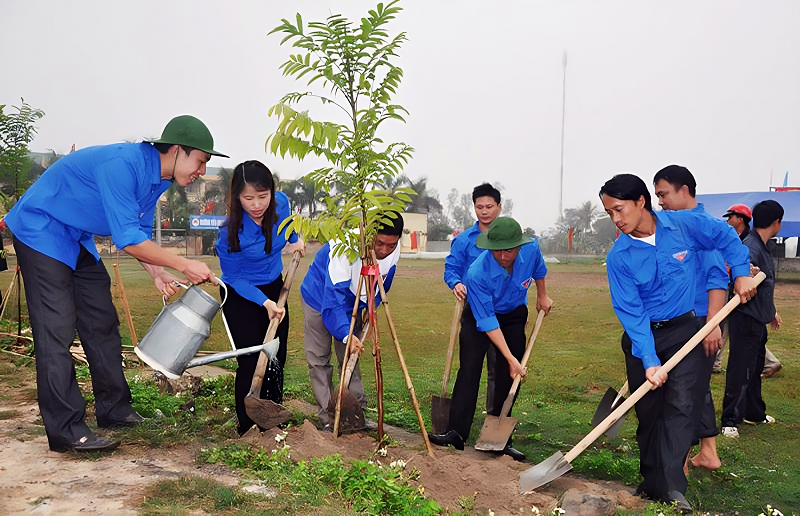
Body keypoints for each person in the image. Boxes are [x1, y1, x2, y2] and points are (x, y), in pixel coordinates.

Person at [4, 115, 226, 452]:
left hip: (76, 237)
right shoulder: (123, 165)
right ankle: (66, 431)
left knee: (102, 322)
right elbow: (126, 237)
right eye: (200, 160)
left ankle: (115, 409)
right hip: (41, 230)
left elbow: (136, 233)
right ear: (178, 150)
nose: (200, 169)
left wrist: (157, 272)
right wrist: (182, 263)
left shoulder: (160, 179)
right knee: (57, 329)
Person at [600, 174, 753, 511]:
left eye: (619, 209)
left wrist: (741, 271)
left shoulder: (684, 226)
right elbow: (631, 312)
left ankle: (672, 487)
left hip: (686, 331)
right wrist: (649, 359)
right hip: (644, 336)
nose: (616, 219)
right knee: (649, 412)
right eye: (609, 213)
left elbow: (725, 235)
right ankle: (651, 481)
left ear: (641, 202)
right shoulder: (619, 256)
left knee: (682, 407)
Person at [429, 217, 552, 461]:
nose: (503, 256)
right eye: (497, 250)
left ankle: (500, 439)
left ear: (519, 245)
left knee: (509, 375)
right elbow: (487, 323)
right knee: (470, 368)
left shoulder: (531, 249)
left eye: (509, 250)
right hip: (480, 315)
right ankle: (456, 432)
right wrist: (509, 357)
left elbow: (539, 270)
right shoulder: (477, 273)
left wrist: (542, 295)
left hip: (514, 313)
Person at [216, 160, 305, 435]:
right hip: (240, 294)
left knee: (277, 354)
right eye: (248, 198)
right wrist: (265, 303)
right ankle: (247, 426)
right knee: (252, 358)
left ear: (271, 192)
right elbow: (235, 278)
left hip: (274, 286)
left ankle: (271, 416)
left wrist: (295, 239)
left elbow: (290, 228)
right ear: (237, 197)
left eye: (262, 196)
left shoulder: (280, 203)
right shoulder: (228, 234)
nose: (256, 204)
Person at [653, 165, 727, 471]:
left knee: (681, 393)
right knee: (696, 387)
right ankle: (707, 450)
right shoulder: (677, 226)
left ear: (684, 191)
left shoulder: (700, 225)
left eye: (664, 194)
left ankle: (679, 464)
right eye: (657, 196)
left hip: (696, 320)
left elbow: (716, 278)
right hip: (683, 319)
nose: (660, 202)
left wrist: (712, 326)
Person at [300, 216, 404, 430]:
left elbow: (384, 279)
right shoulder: (344, 249)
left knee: (351, 356)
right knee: (319, 359)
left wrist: (369, 307)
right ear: (368, 237)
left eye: (391, 245)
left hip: (354, 302)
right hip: (320, 296)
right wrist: (347, 334)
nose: (385, 250)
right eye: (379, 244)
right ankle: (328, 417)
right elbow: (332, 302)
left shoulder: (395, 248)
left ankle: (356, 413)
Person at [720, 200, 784, 438]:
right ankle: (729, 419)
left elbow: (764, 286)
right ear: (776, 222)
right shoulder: (750, 247)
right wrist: (746, 271)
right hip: (745, 317)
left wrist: (772, 311)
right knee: (740, 368)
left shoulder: (762, 246)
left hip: (758, 319)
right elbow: (737, 277)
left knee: (756, 368)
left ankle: (754, 412)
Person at [443, 183, 503, 412]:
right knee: (469, 368)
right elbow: (452, 268)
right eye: (480, 207)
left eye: (489, 206)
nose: (484, 211)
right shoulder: (465, 239)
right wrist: (456, 283)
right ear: (474, 208)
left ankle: (495, 417)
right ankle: (459, 422)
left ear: (499, 206)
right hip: (474, 311)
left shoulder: (508, 237)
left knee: (499, 369)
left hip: (502, 310)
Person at [723, 205, 782, 378]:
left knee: (749, 372)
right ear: (777, 223)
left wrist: (771, 310)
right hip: (743, 313)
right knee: (742, 373)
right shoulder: (747, 245)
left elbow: (760, 283)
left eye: (731, 217)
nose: (728, 220)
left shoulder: (754, 245)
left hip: (751, 316)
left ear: (741, 219)